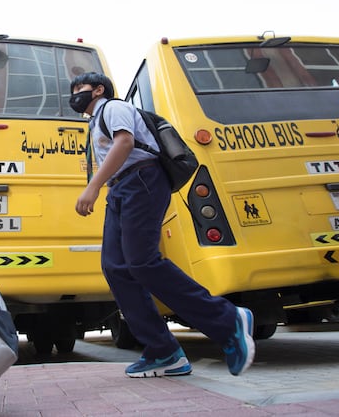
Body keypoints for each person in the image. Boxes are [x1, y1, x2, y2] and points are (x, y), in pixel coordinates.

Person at [69, 72, 255, 378]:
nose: (75, 94)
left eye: (80, 88)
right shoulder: (94, 121)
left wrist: (93, 187)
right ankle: (163, 351)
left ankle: (228, 319)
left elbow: (125, 142)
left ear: (98, 89)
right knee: (116, 267)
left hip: (141, 179)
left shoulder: (113, 107)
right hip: (121, 189)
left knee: (142, 262)